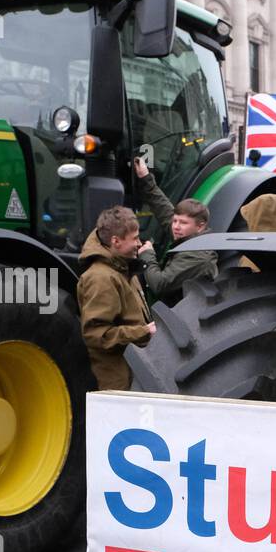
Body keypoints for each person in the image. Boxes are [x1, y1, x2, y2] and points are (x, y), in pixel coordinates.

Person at [78, 205, 155, 391]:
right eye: (135, 238)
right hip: (117, 383)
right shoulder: (101, 278)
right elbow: (97, 335)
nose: (139, 243)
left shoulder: (123, 269)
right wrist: (144, 332)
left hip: (132, 374)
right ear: (116, 241)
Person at [131, 157, 219, 303]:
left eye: (183, 223)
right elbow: (164, 210)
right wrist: (146, 178)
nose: (176, 226)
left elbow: (160, 284)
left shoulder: (197, 256)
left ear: (200, 226)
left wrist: (147, 255)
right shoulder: (191, 237)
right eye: (175, 221)